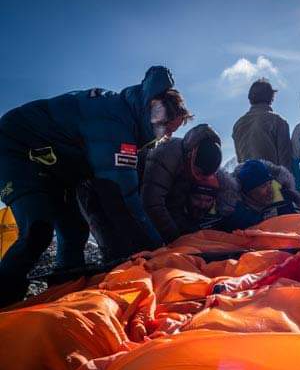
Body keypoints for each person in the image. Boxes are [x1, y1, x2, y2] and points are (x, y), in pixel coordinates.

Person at [0, 66, 186, 306]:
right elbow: (124, 194)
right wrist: (159, 248)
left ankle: (63, 296)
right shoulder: (115, 123)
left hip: (55, 165)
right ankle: (4, 300)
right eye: (168, 129)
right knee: (37, 229)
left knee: (74, 230)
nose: (166, 137)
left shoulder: (127, 117)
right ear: (156, 112)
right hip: (14, 150)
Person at [141, 123, 224, 244]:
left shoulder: (188, 163)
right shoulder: (168, 155)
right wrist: (176, 239)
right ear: (192, 158)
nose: (199, 178)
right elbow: (152, 202)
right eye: (199, 172)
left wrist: (187, 233)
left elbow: (175, 203)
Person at [221, 160, 300, 231]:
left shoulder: (282, 199)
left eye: (269, 183)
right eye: (263, 186)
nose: (270, 189)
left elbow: (297, 225)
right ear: (249, 191)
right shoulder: (235, 211)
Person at [232, 79, 292, 168]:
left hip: (244, 179)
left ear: (250, 98)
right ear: (271, 98)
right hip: (270, 179)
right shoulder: (278, 122)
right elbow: (285, 162)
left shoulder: (238, 125)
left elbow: (240, 159)